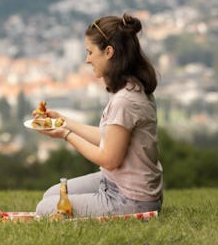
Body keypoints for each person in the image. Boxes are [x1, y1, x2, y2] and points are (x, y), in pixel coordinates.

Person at [35, 13, 163, 217]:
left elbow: (109, 159)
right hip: (113, 182)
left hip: (131, 199)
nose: (87, 60)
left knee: (45, 208)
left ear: (109, 52)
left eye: (90, 52)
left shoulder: (125, 100)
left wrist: (66, 135)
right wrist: (63, 122)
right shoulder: (131, 89)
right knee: (51, 194)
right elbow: (109, 138)